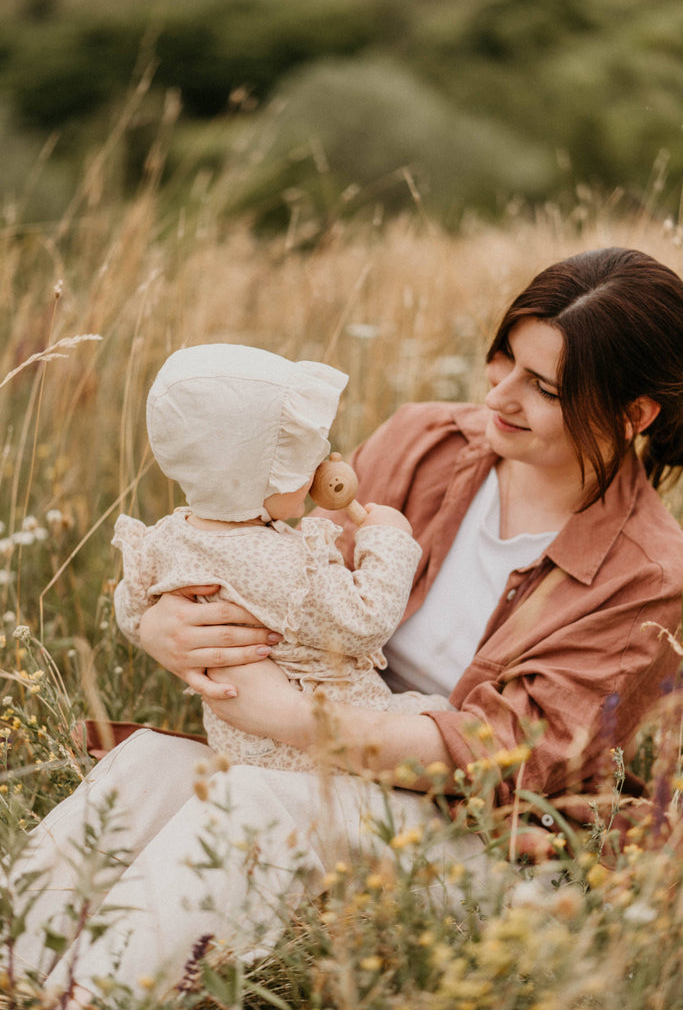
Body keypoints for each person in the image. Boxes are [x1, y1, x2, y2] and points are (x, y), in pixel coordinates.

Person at [12, 247, 683, 1007]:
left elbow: (507, 760)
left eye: (542, 386)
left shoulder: (649, 574)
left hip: (478, 840)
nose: (499, 394)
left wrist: (292, 719)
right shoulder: (425, 439)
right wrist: (158, 623)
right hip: (322, 769)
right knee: (146, 770)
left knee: (254, 807)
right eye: (503, 361)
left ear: (634, 415)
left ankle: (89, 998)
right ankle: (14, 973)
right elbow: (267, 562)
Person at [112, 343, 447, 770]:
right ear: (261, 475)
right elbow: (365, 623)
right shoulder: (282, 566)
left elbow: (130, 609)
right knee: (447, 717)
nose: (321, 466)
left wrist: (152, 627)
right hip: (318, 747)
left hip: (240, 743)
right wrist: (389, 541)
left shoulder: (169, 538)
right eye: (303, 458)